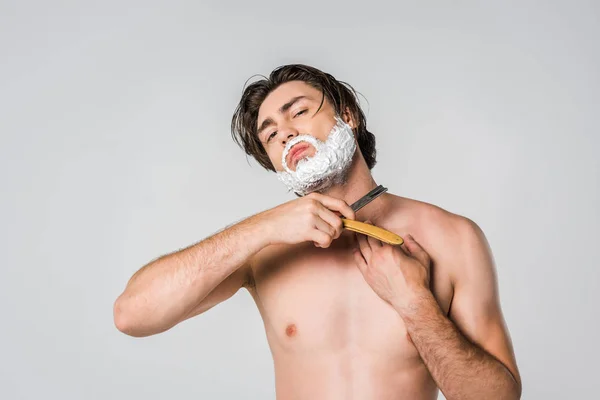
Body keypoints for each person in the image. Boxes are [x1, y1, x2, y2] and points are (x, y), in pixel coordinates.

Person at [113, 64, 522, 399]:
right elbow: (132, 314)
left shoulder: (451, 237)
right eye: (270, 133)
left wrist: (415, 303)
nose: (285, 132)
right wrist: (264, 227)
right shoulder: (264, 250)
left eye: (299, 111)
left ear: (347, 115)